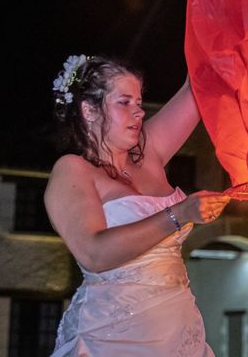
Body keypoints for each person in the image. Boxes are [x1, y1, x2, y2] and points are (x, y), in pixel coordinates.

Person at [44, 54, 230, 356]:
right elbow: (95, 253)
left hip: (177, 328)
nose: (139, 112)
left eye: (139, 102)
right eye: (124, 102)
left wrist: (217, 33)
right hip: (111, 336)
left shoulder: (149, 151)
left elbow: (198, 84)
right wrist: (179, 214)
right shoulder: (73, 170)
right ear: (89, 110)